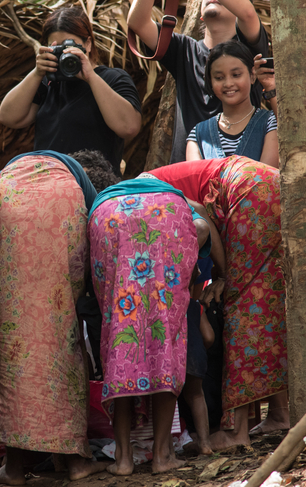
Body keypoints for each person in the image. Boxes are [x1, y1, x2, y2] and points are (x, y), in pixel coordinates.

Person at [0, 149, 116, 485]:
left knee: (12, 341)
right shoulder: (78, 179)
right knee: (60, 336)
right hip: (61, 204)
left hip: (5, 201)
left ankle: (14, 468)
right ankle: (75, 462)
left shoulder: (10, 170)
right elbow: (95, 229)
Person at [88, 164, 221, 475]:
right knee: (165, 346)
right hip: (169, 216)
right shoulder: (174, 193)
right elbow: (202, 226)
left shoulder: (103, 198)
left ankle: (122, 460)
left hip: (108, 218)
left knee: (122, 347)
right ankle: (162, 456)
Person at [149, 156, 288, 450]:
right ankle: (279, 413)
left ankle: (236, 432)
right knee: (266, 301)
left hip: (248, 188)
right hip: (269, 183)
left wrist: (225, 276)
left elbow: (198, 212)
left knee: (240, 303)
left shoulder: (141, 187)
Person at [126, 0, 274, 164]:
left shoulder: (250, 47)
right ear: (201, 16)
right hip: (190, 169)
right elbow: (137, 22)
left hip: (243, 170)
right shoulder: (184, 50)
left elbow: (247, 13)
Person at [0, 6, 141, 172]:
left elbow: (129, 127)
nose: (65, 53)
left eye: (70, 47)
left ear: (88, 44)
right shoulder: (49, 83)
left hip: (92, 184)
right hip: (47, 182)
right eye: (58, 48)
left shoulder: (112, 78)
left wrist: (90, 77)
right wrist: (37, 73)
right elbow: (8, 117)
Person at [186, 40, 278, 167]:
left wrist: (270, 87)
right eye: (219, 78)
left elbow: (267, 178)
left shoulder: (271, 123)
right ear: (210, 82)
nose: (228, 83)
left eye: (236, 75)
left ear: (252, 75)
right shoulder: (198, 135)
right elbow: (195, 182)